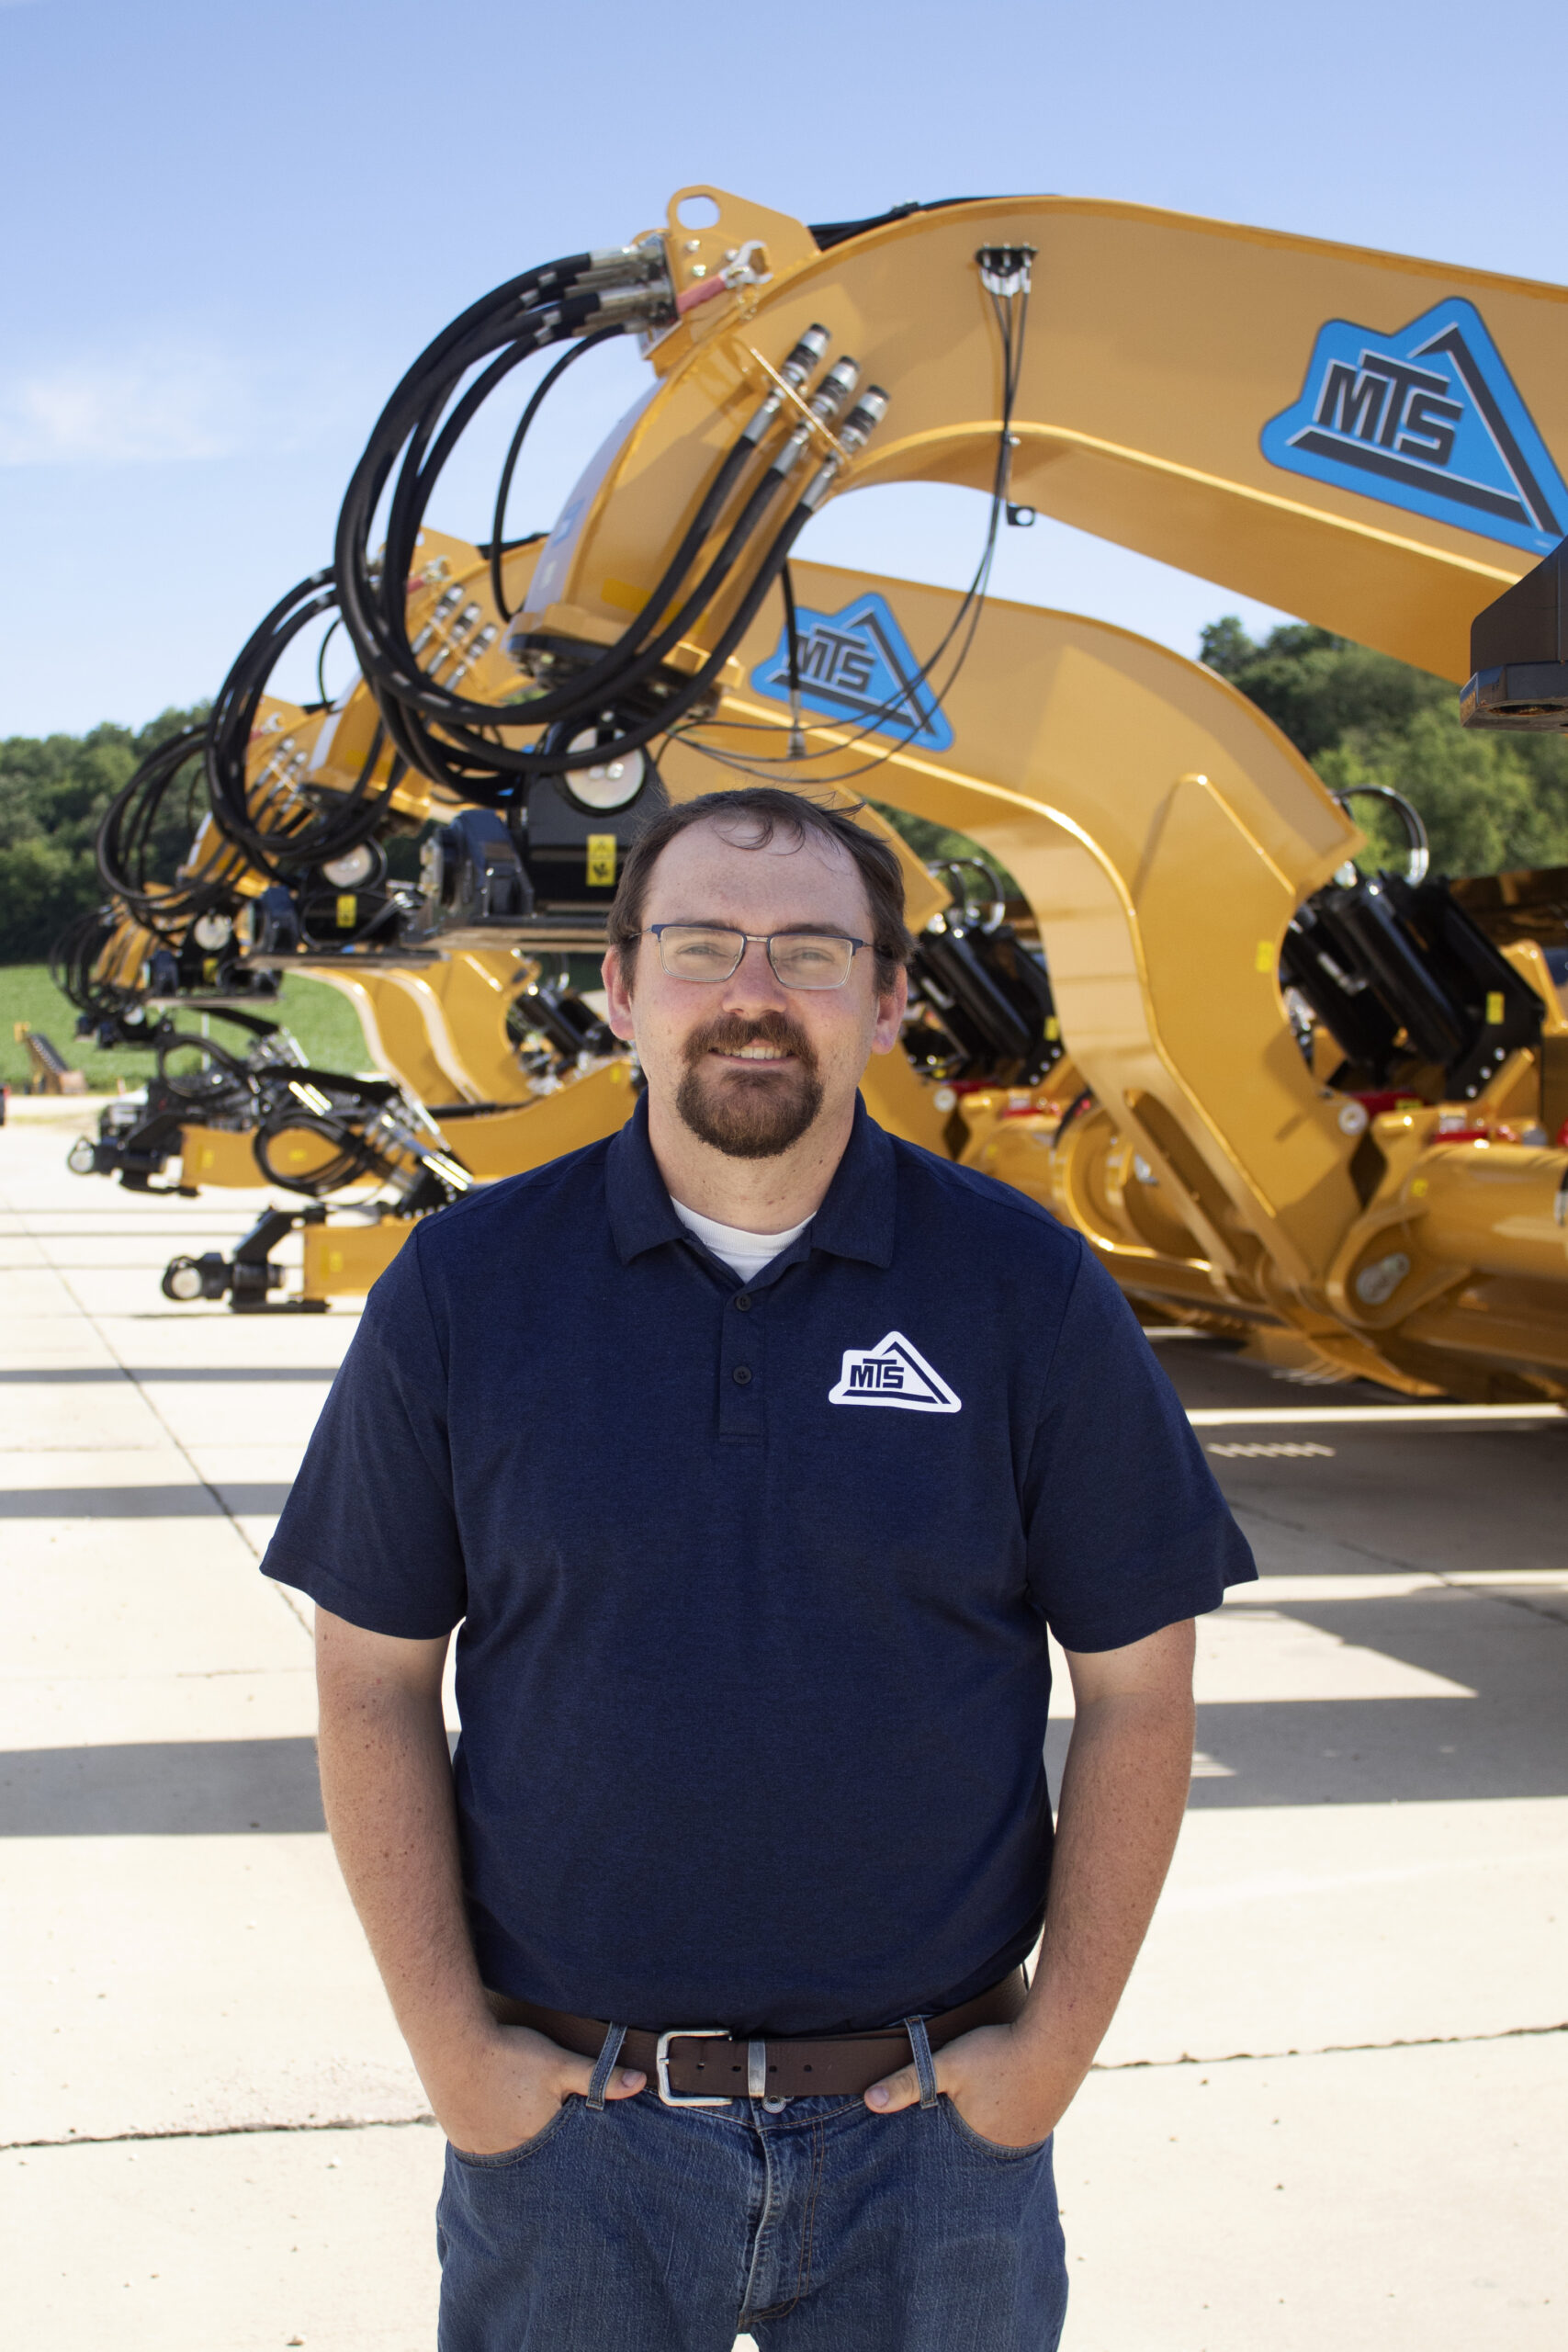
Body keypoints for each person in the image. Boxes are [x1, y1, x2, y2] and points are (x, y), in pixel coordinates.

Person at [264, 786, 1255, 2352]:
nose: (753, 992)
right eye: (703, 943)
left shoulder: (1026, 1287)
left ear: (889, 1000)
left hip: (932, 2149)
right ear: (618, 988)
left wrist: (1053, 2052)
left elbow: (1141, 1686)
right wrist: (454, 2053)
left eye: (809, 950)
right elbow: (370, 1675)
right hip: (572, 2140)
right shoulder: (463, 1290)